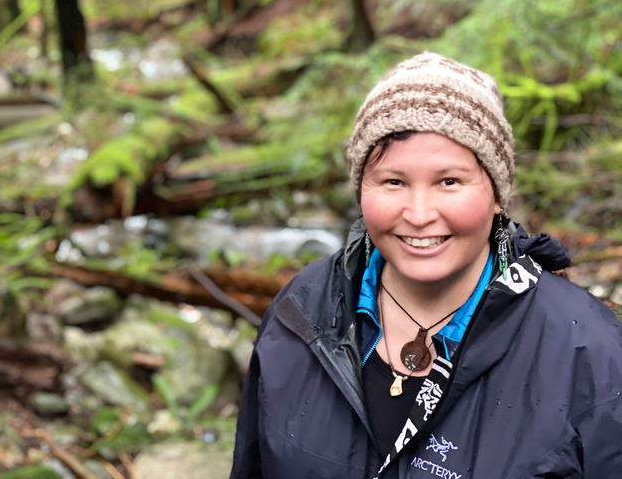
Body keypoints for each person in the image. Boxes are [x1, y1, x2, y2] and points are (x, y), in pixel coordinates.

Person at [229, 52, 622, 479]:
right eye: (393, 181)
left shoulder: (589, 351)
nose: (418, 214)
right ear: (361, 188)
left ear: (496, 196)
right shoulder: (303, 311)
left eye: (448, 181)